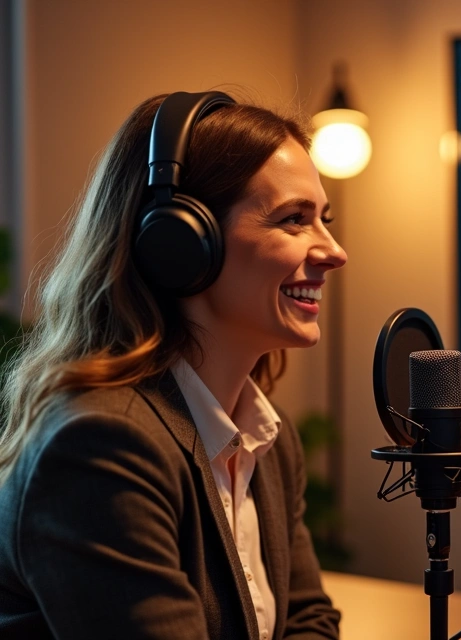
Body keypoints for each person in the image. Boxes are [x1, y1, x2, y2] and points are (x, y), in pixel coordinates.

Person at [0, 91, 346, 639]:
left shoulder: (268, 440)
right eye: (294, 220)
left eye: (324, 219)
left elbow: (309, 619)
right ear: (180, 242)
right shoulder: (100, 445)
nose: (334, 250)